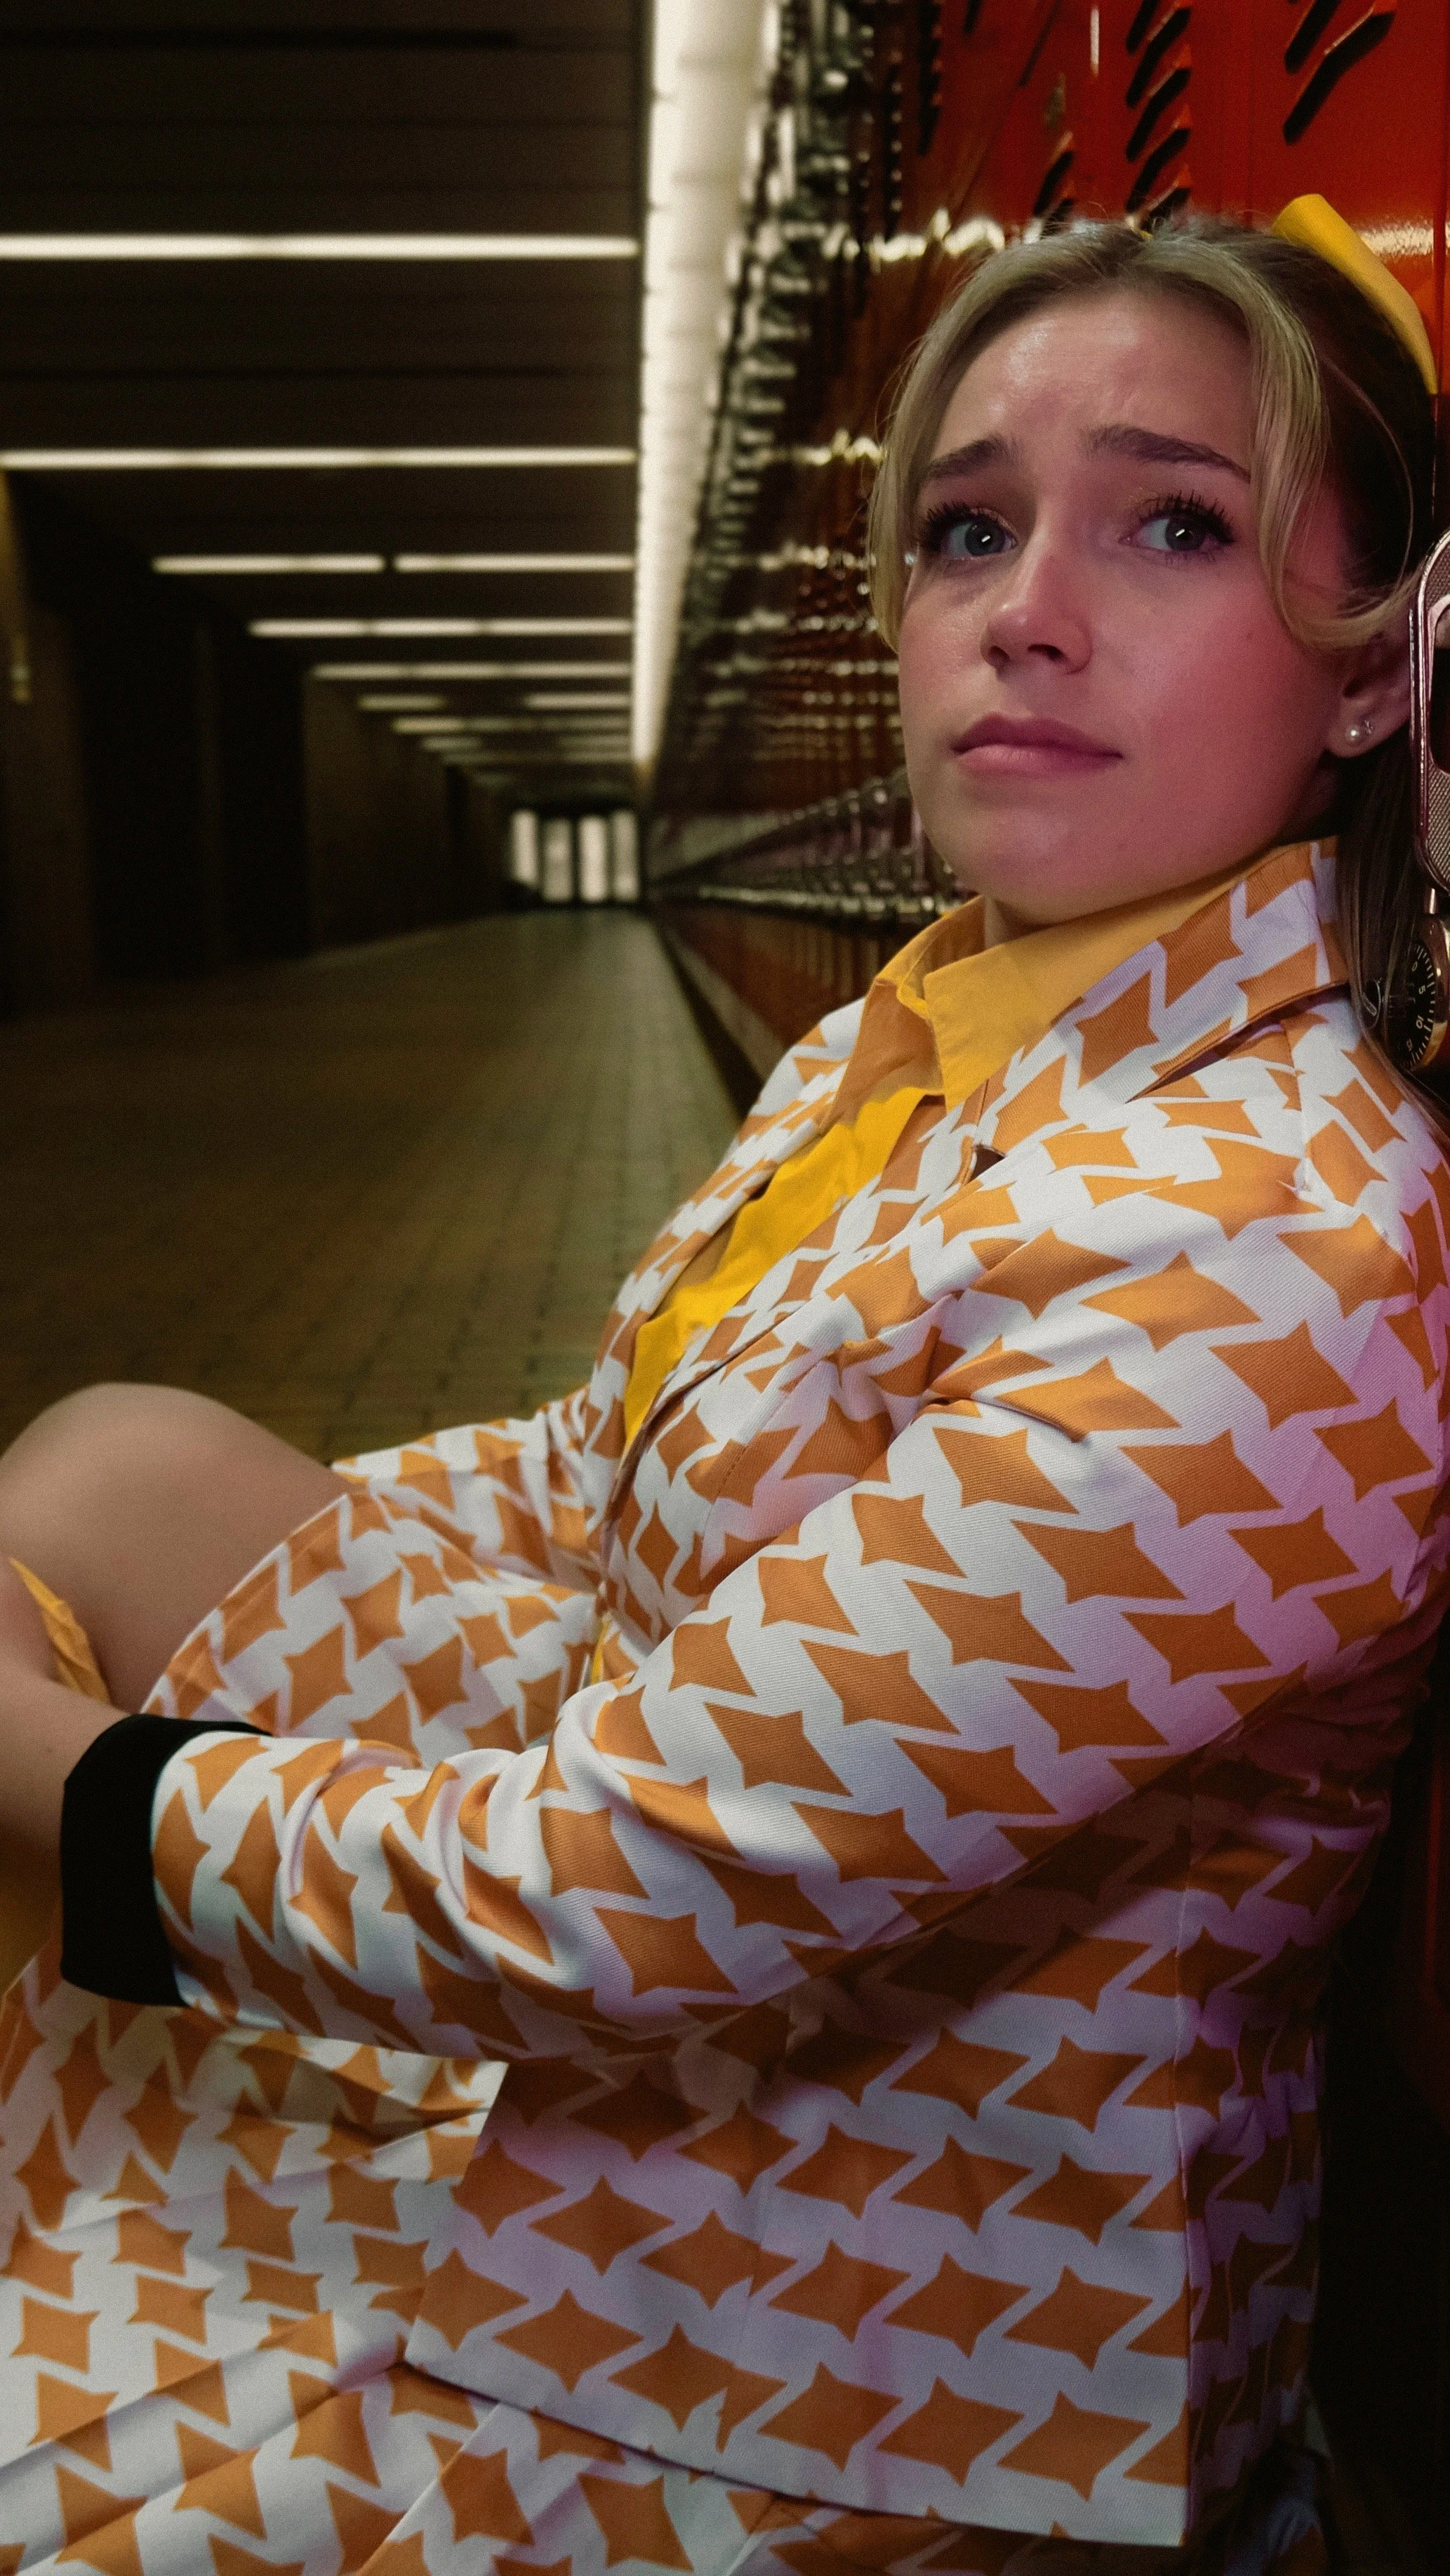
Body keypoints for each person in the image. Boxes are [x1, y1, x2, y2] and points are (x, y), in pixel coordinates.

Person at [0, 199, 1442, 2576]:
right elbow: (589, 1480)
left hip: (888, 2361)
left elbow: (606, 1894)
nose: (1025, 608)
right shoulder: (941, 1036)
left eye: (1174, 524)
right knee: (114, 1468)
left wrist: (87, 1800)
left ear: (1380, 672)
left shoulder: (1282, 1245)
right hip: (711, 2098)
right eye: (968, 527)